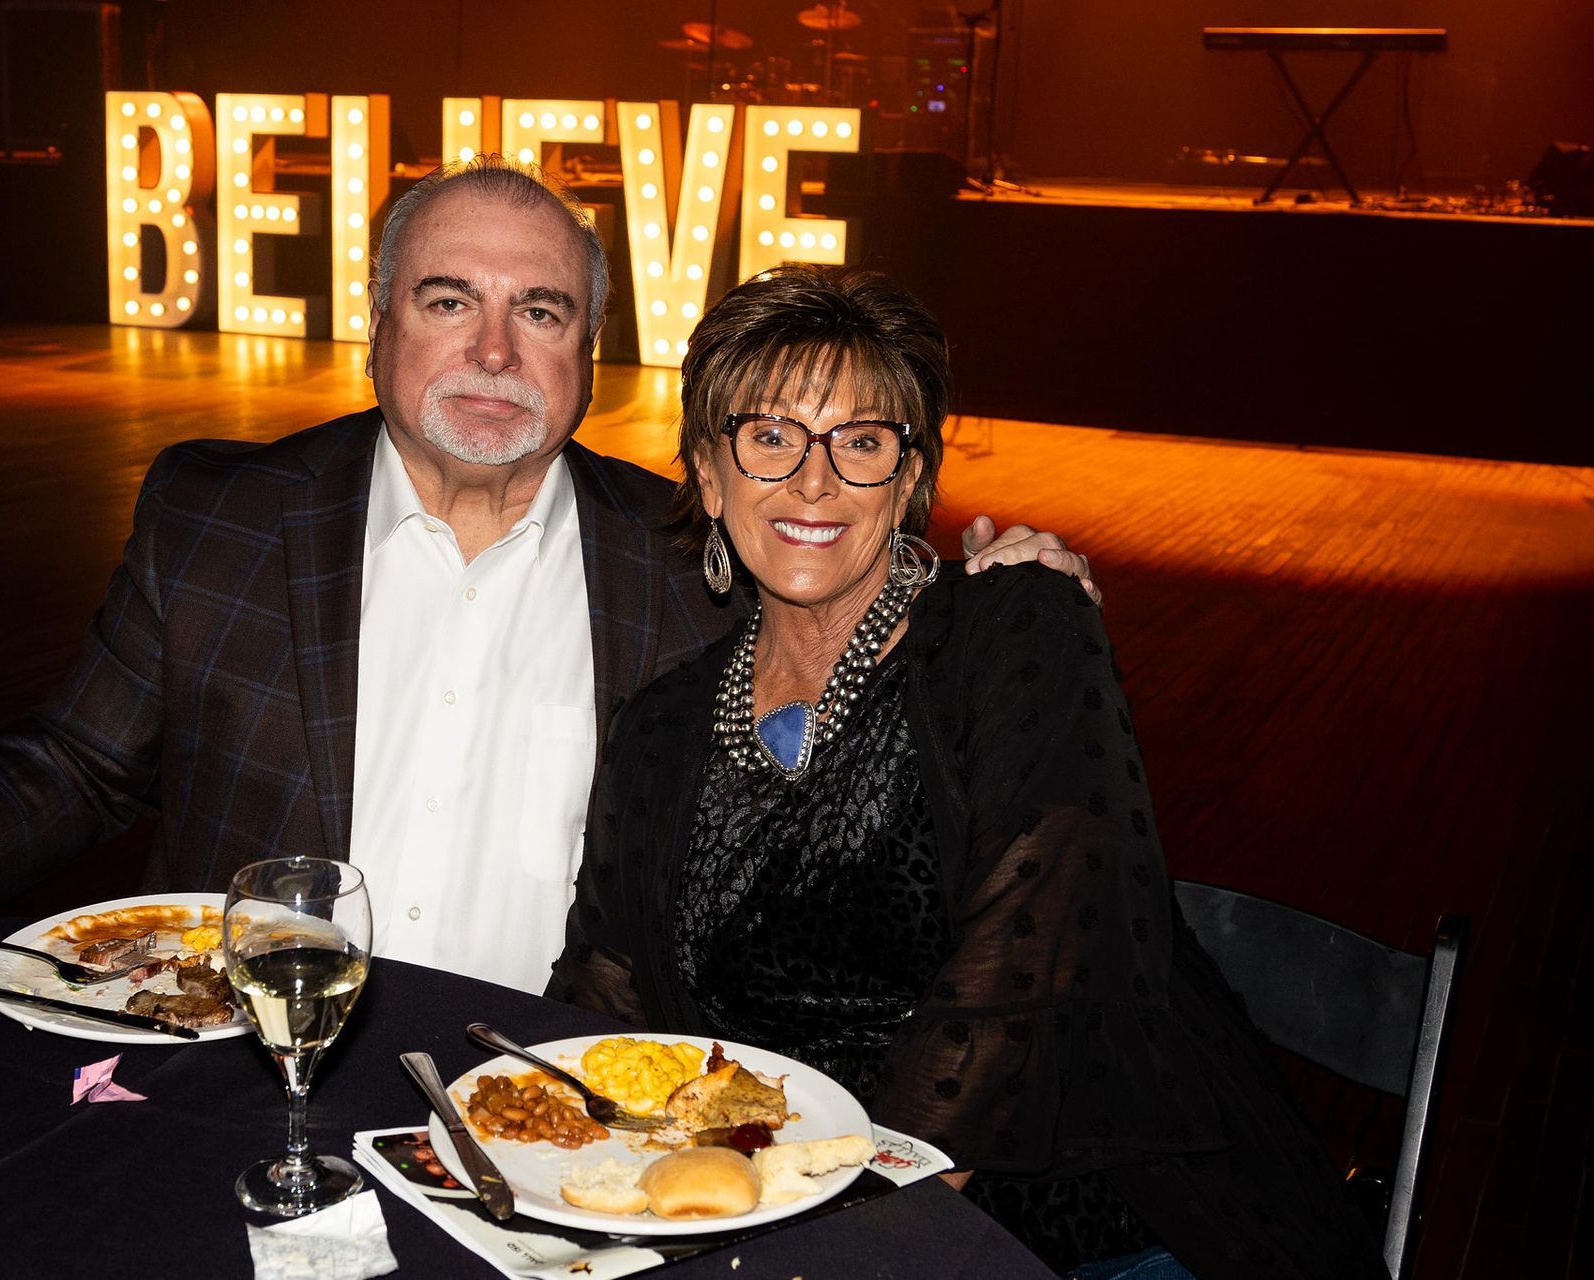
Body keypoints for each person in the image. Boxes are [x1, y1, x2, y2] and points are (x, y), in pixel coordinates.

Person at [0, 156, 1094, 994]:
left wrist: (987, 584)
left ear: (589, 349)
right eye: (452, 302)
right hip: (252, 1073)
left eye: (542, 312)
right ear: (378, 324)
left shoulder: (695, 555)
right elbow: (78, 765)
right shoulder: (221, 516)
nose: (497, 354)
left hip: (565, 1113)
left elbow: (847, 567)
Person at [549, 265, 1386, 1278]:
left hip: (1081, 1223)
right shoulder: (660, 725)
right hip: (782, 1211)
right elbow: (607, 985)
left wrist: (854, 1217)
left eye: (861, 442)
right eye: (770, 437)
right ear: (710, 473)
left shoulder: (1016, 632)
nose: (814, 482)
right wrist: (546, 1155)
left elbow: (1036, 963)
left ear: (907, 482)